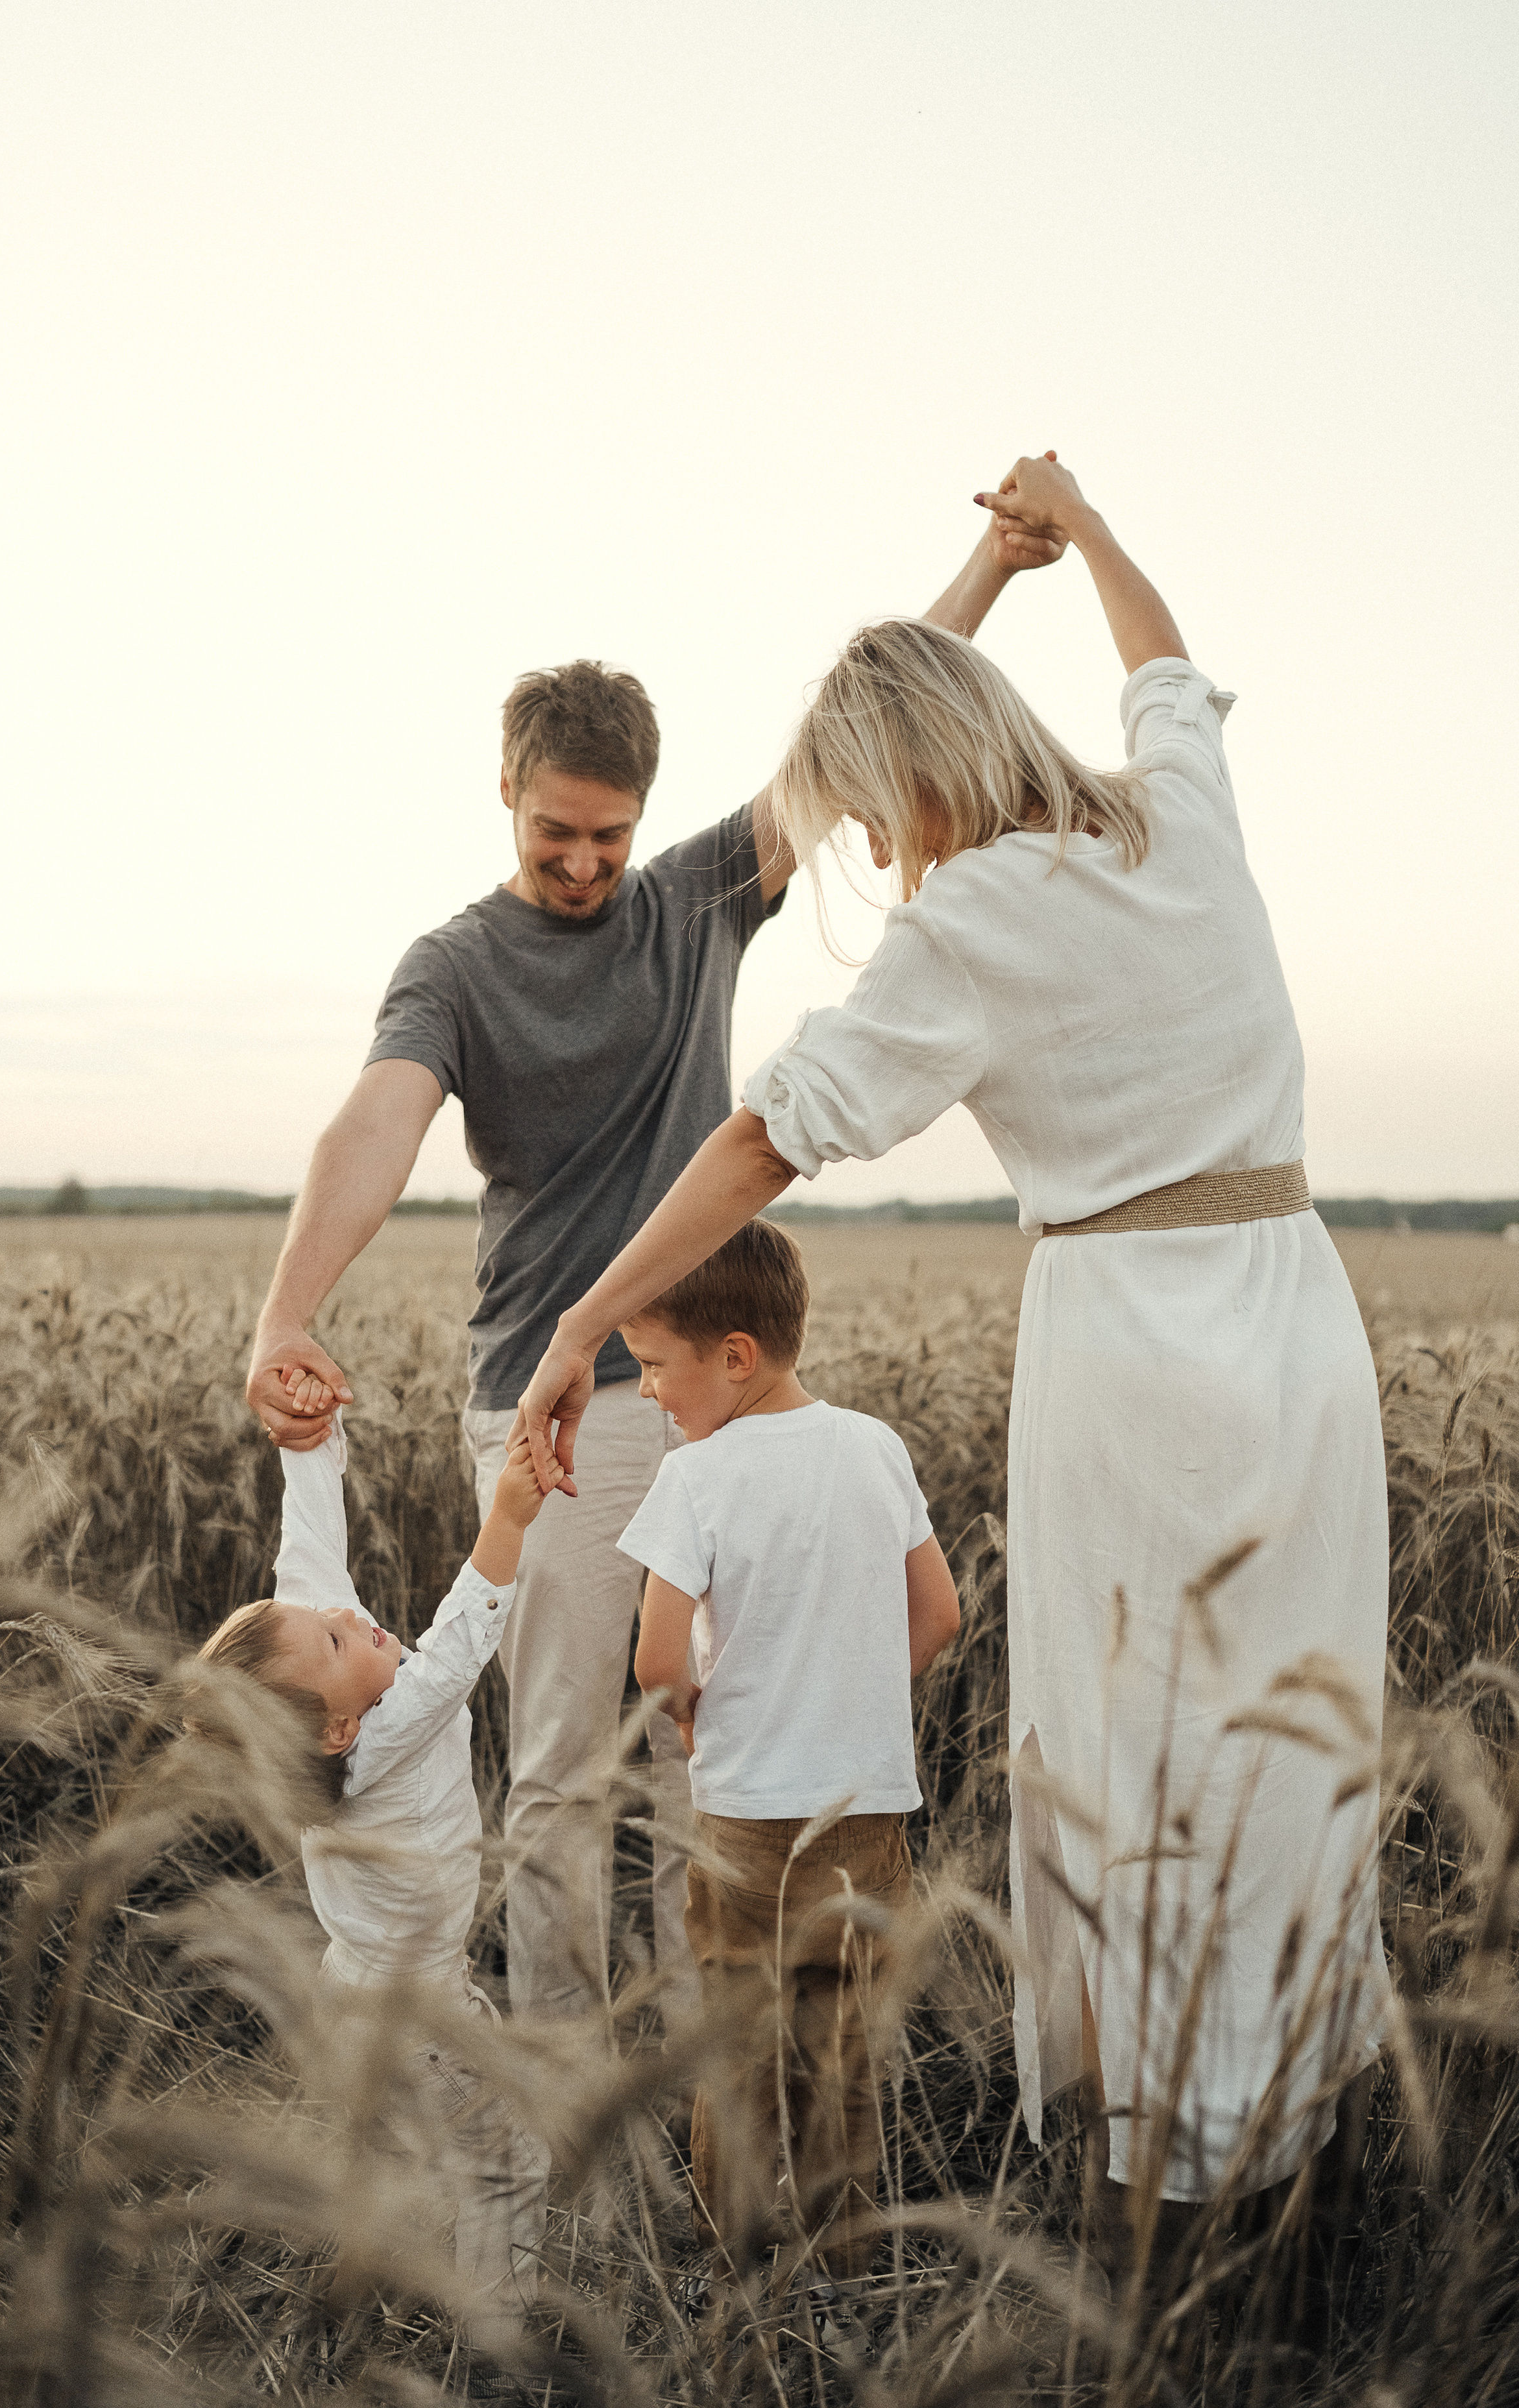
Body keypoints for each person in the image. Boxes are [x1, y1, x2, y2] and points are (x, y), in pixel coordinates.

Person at [517, 454, 1390, 2217]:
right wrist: (1086, 529)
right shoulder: (1175, 810)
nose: (878, 855)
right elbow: (1164, 660)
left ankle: (1164, 2177)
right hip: (1304, 1330)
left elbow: (761, 1141)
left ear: (906, 780)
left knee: (1135, 1748)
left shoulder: (966, 923)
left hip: (1132, 1359)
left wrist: (585, 1320)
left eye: (870, 818)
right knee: (1302, 1746)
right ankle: (1309, 2132)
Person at [243, 508, 1058, 2031]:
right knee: (558, 1770)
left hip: (720, 1393)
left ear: (645, 817)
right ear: (504, 792)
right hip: (555, 1415)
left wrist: (995, 571)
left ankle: (727, 2072)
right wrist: (289, 1310)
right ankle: (564, 2086)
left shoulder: (691, 898)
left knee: (733, 1739)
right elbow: (376, 1123)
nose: (580, 861)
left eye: (608, 835)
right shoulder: (453, 968)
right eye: (553, 831)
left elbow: (862, 728)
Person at [614, 1220, 960, 2298]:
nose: (648, 1395)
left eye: (655, 1368)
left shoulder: (696, 1477)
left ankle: (739, 2271)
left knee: (738, 2048)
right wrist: (851, 1691)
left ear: (732, 1356)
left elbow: (658, 1657)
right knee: (844, 2048)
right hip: (865, 1814)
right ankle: (844, 2268)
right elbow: (939, 1614)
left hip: (749, 1820)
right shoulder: (875, 1447)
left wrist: (684, 1717)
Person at [201, 1387, 558, 2333]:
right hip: (421, 2008)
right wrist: (508, 1519)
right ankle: (498, 2330)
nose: (350, 1620)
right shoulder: (382, 1735)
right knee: (509, 2155)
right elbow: (456, 1648)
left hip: (354, 1992)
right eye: (335, 1637)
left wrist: (309, 1446)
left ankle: (382, 2295)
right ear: (339, 1730)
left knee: (404, 2156)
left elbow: (310, 1552)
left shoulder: (330, 1709)